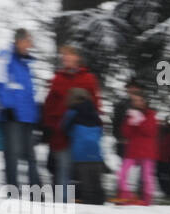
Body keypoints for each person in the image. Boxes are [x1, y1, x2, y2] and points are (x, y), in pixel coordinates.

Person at [41, 46, 102, 201]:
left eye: (69, 56)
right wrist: (48, 126)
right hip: (60, 132)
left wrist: (93, 123)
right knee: (63, 168)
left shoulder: (88, 78)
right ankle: (62, 203)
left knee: (82, 170)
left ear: (77, 58)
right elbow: (49, 105)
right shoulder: (57, 79)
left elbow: (95, 104)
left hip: (81, 132)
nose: (66, 58)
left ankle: (86, 202)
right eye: (64, 56)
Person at [0, 28, 42, 190]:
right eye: (28, 41)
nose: (30, 45)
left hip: (28, 115)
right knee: (12, 154)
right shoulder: (5, 56)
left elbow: (30, 91)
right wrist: (6, 106)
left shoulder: (27, 63)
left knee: (31, 156)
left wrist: (36, 113)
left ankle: (37, 192)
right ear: (19, 41)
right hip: (12, 114)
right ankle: (12, 190)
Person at [60, 88, 106, 205]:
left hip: (80, 153)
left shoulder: (72, 111)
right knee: (97, 184)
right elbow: (101, 130)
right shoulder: (95, 112)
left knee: (86, 186)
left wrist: (75, 135)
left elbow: (64, 128)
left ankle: (88, 206)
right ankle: (101, 205)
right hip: (96, 154)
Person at [117, 88, 158, 205]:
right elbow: (125, 133)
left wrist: (140, 121)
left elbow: (150, 131)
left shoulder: (150, 114)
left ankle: (147, 199)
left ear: (144, 101)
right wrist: (131, 121)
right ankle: (125, 195)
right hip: (133, 150)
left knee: (146, 177)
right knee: (122, 173)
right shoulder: (130, 114)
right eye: (134, 100)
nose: (136, 103)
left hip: (147, 151)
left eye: (138, 100)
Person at [112, 79, 142, 162]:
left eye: (135, 88)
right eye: (130, 88)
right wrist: (119, 137)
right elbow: (116, 122)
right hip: (124, 142)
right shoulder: (121, 104)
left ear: (139, 89)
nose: (132, 90)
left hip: (140, 143)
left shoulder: (144, 105)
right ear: (127, 90)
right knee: (126, 167)